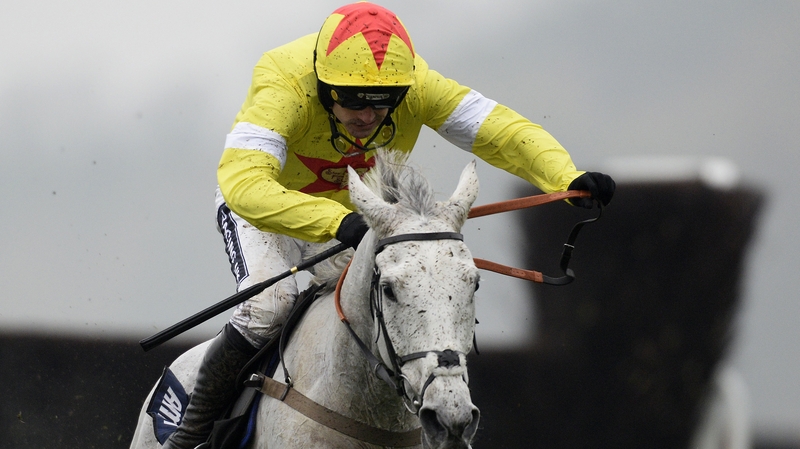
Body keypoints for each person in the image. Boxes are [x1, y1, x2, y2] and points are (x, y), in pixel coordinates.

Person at [162, 2, 615, 448]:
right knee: (271, 305)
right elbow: (244, 184)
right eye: (353, 101)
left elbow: (499, 129)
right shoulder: (282, 80)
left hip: (357, 215)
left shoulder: (418, 84)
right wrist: (337, 221)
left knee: (407, 290)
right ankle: (191, 435)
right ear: (322, 82)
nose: (367, 117)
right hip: (264, 208)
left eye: (383, 104)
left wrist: (565, 176)